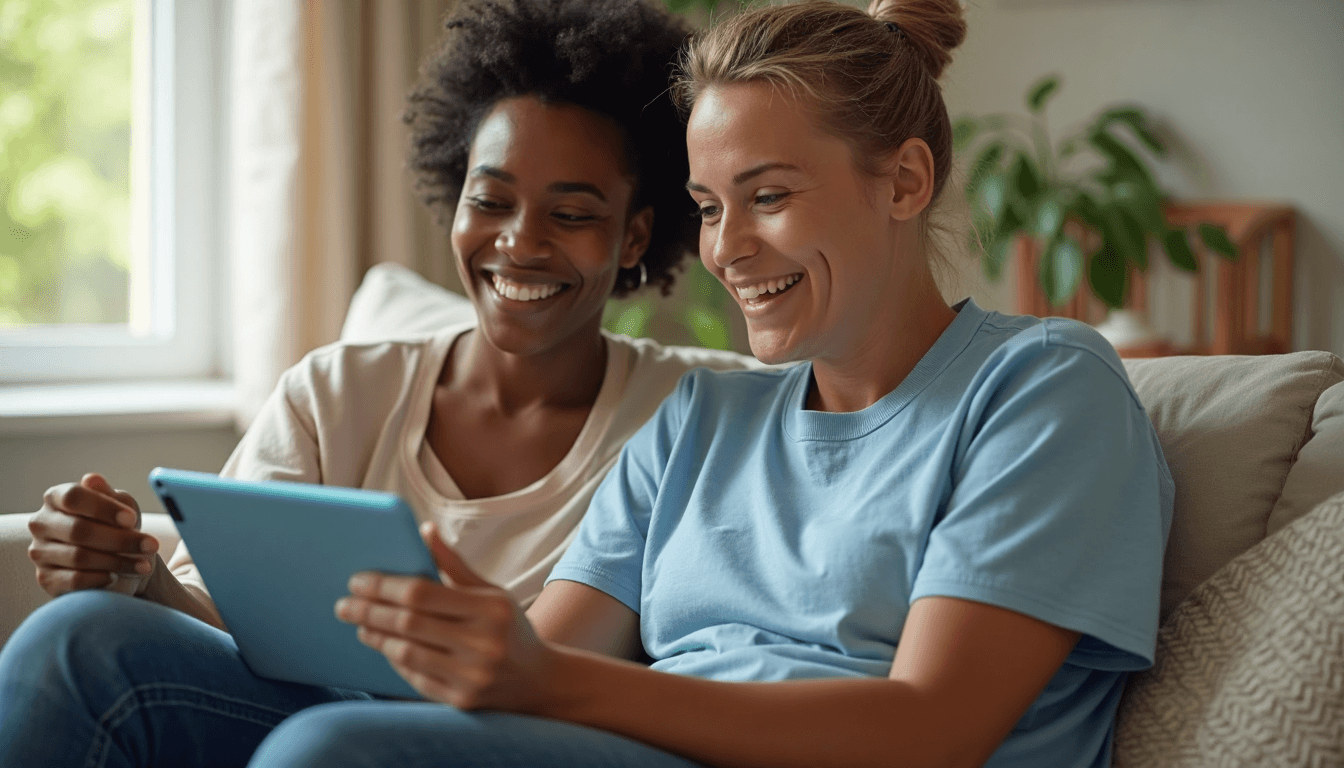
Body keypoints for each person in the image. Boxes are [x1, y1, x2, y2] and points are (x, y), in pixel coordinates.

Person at [238, 1, 1174, 767]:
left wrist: (543, 681)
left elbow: (930, 730)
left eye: (768, 196)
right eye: (708, 207)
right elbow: (546, 654)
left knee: (328, 753)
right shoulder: (702, 416)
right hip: (624, 746)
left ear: (905, 182)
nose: (726, 249)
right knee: (101, 646)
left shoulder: (1043, 387)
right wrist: (455, 639)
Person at [0, 0, 757, 765]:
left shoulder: (701, 412)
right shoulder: (337, 391)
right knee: (74, 638)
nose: (518, 242)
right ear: (454, 201)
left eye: (569, 214)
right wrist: (136, 569)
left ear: (634, 234)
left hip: (499, 745)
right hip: (299, 716)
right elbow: (217, 620)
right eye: (490, 201)